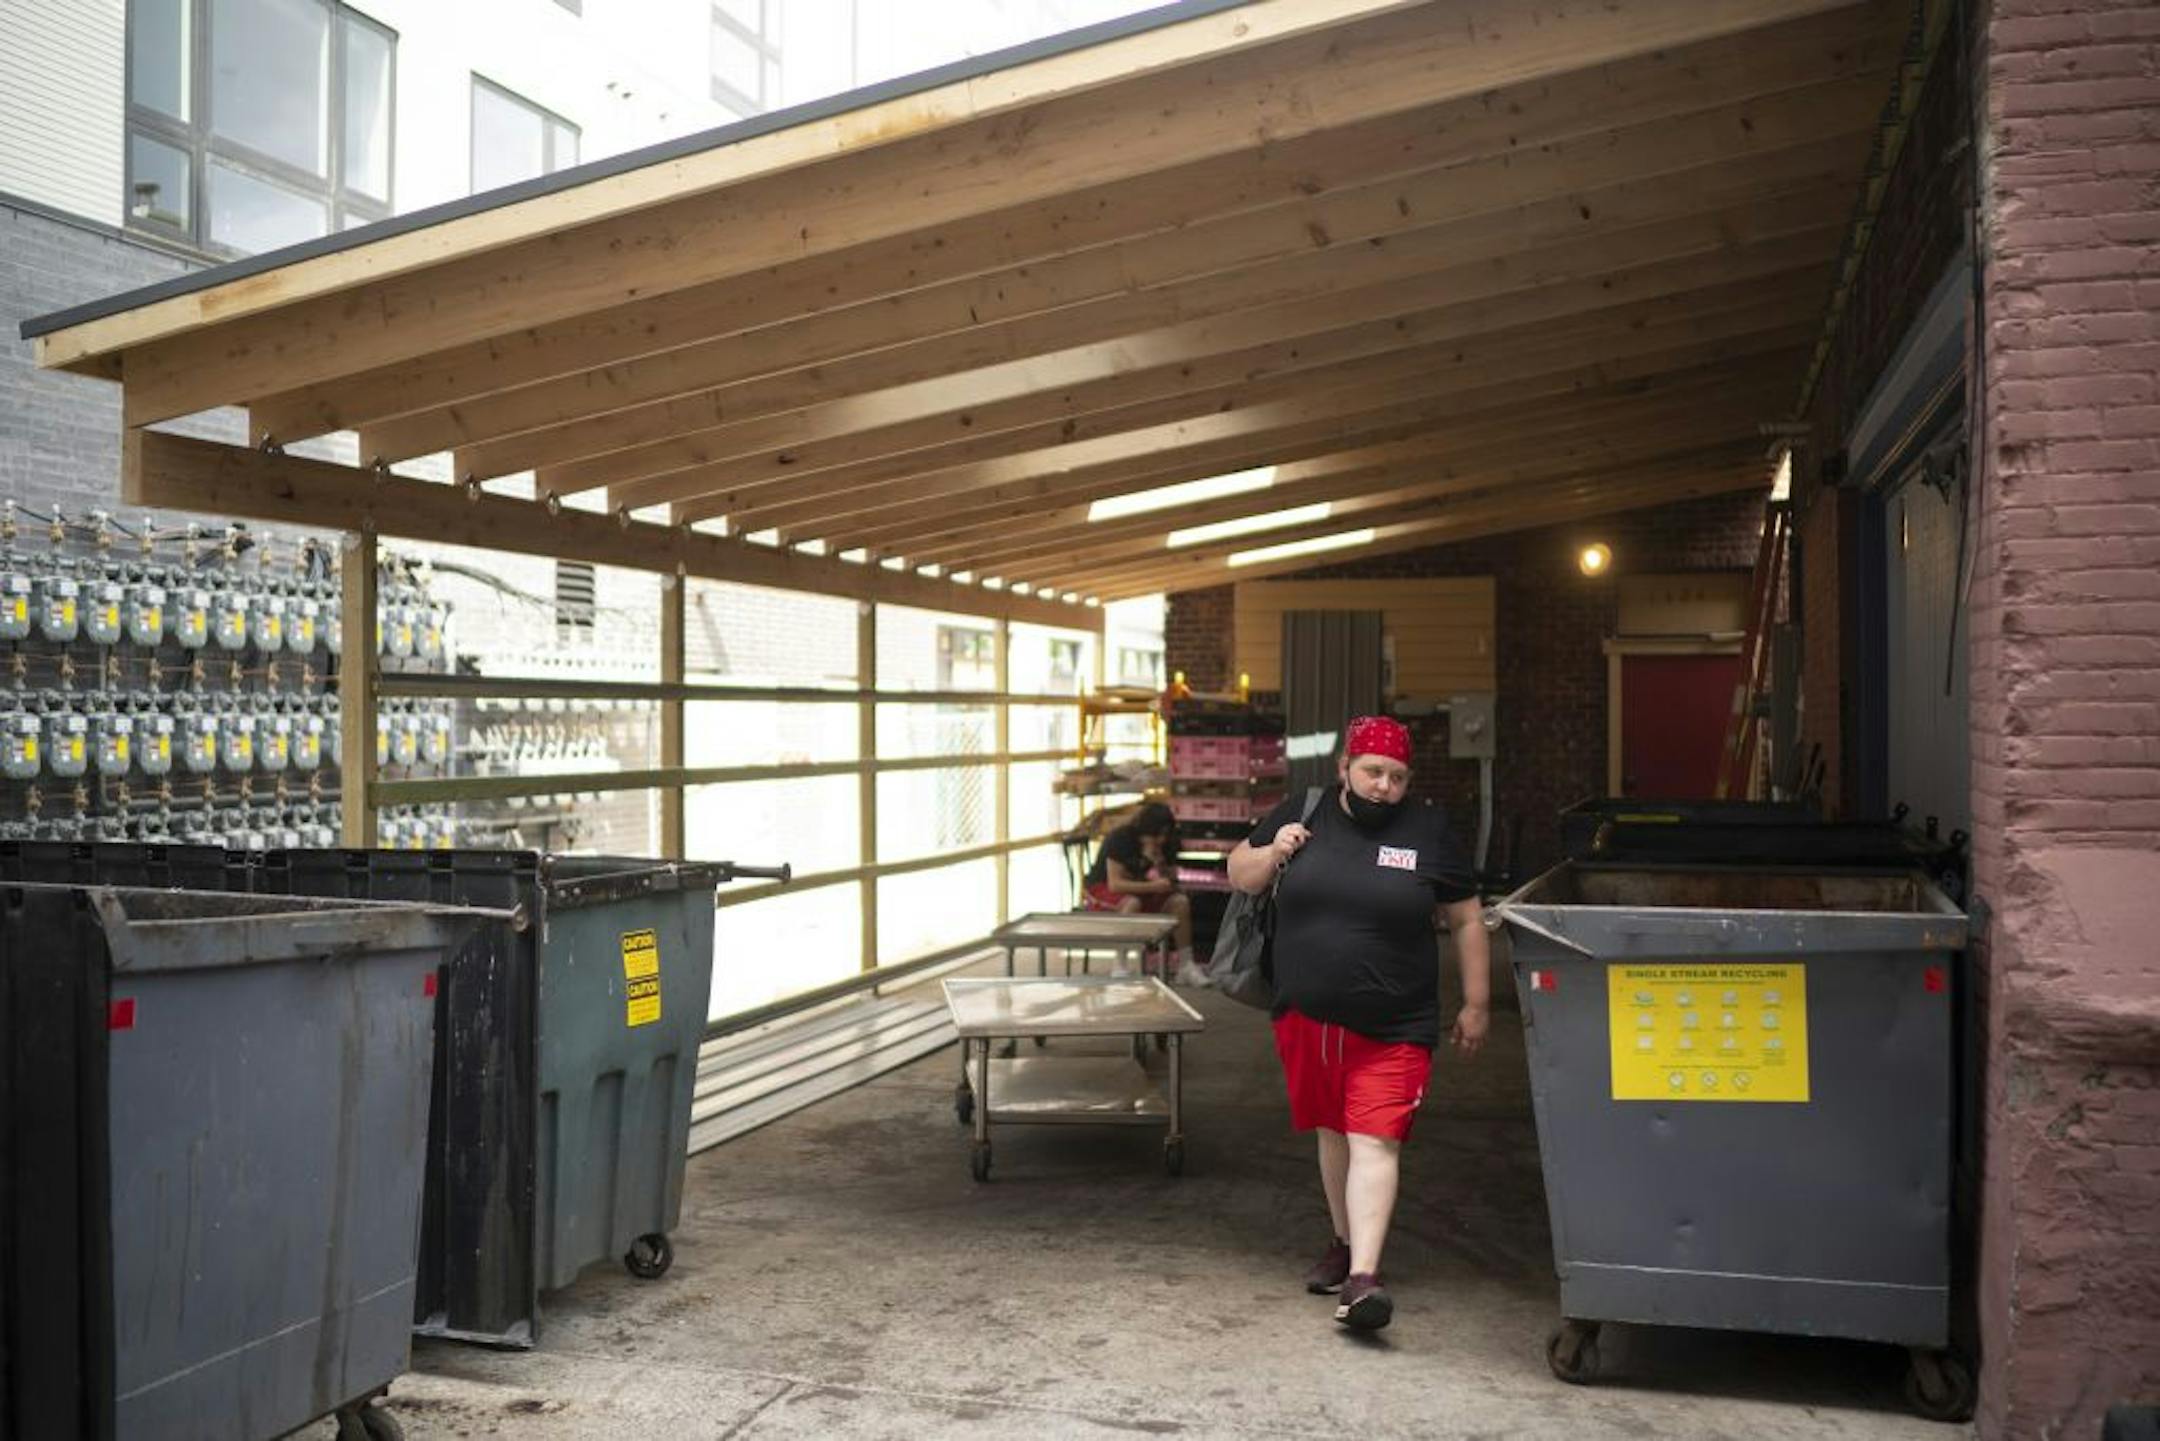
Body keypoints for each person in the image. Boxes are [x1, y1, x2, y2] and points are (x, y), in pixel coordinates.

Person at [1225, 715, 1490, 1331]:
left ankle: (1364, 1279)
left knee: (1375, 1137)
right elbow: (1239, 874)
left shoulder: (1429, 830)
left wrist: (1476, 1003)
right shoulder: (1305, 810)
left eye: (1397, 777)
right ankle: (1343, 1243)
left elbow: (1468, 920)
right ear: (1345, 766)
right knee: (1333, 1132)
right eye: (1373, 772)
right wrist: (1274, 849)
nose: (1384, 787)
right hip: (1307, 1017)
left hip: (1397, 1023)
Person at [1082, 800, 1208, 986]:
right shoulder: (1121, 838)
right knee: (1132, 903)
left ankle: (1186, 965)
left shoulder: (1166, 843)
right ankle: (1120, 963)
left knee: (1180, 902)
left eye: (1164, 835)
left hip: (1142, 887)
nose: (1161, 840)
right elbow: (1116, 884)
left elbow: (1169, 880)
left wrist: (1158, 864)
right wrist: (1152, 885)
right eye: (1156, 835)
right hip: (1103, 889)